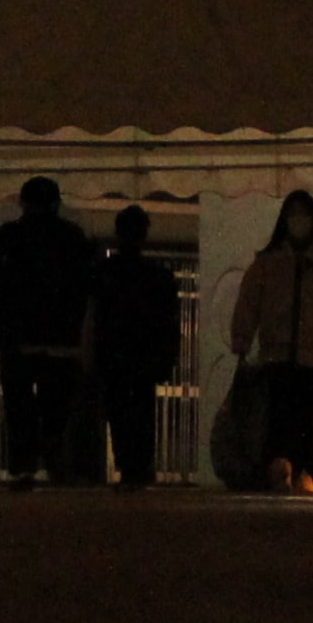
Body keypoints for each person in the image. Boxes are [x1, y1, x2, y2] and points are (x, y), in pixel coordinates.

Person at [221, 188, 313, 490]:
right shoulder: (268, 265)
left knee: (309, 421)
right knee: (279, 419)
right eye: (293, 215)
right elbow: (248, 305)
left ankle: (301, 472)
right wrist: (242, 341)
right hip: (276, 356)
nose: (298, 221)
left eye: (302, 215)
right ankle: (281, 473)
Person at [0, 176, 104, 486]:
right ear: (56, 203)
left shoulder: (11, 235)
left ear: (23, 202)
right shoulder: (71, 236)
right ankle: (55, 456)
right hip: (60, 338)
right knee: (55, 402)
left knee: (19, 404)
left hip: (16, 335)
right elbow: (88, 280)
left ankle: (24, 465)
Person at [85, 204, 184, 487]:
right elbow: (168, 321)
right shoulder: (158, 276)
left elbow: (94, 316)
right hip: (145, 354)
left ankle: (128, 464)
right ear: (144, 234)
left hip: (113, 353)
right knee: (143, 407)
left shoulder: (104, 272)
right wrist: (167, 355)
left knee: (117, 409)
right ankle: (140, 465)